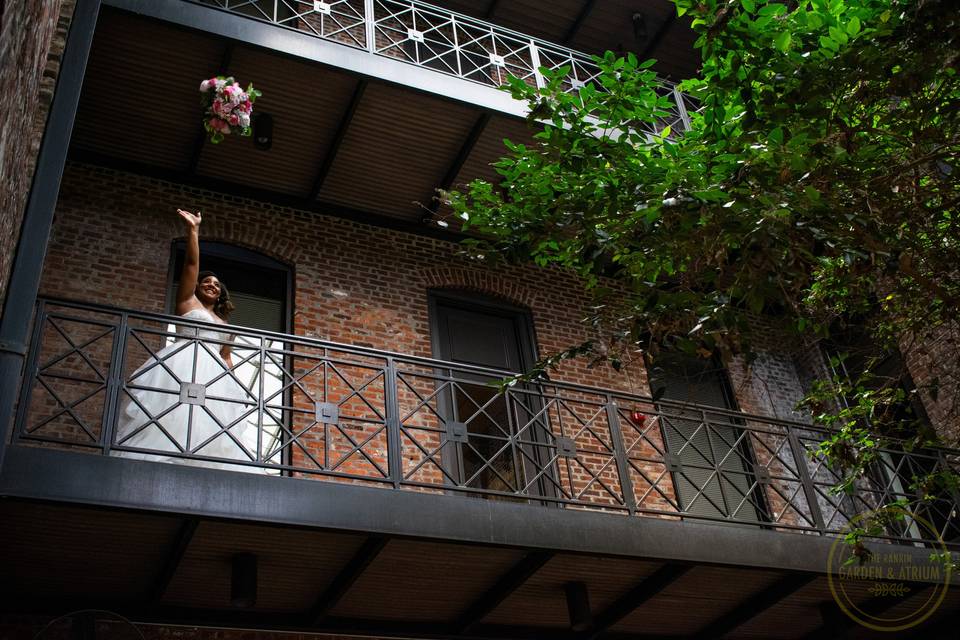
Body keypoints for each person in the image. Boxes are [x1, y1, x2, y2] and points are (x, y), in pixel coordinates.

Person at [114, 209, 264, 472]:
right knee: (172, 411)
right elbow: (191, 266)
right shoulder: (187, 302)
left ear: (220, 295)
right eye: (206, 282)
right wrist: (193, 231)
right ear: (196, 287)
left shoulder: (226, 324)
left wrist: (236, 388)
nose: (211, 285)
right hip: (182, 362)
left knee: (209, 420)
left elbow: (226, 355)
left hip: (213, 374)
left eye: (217, 285)